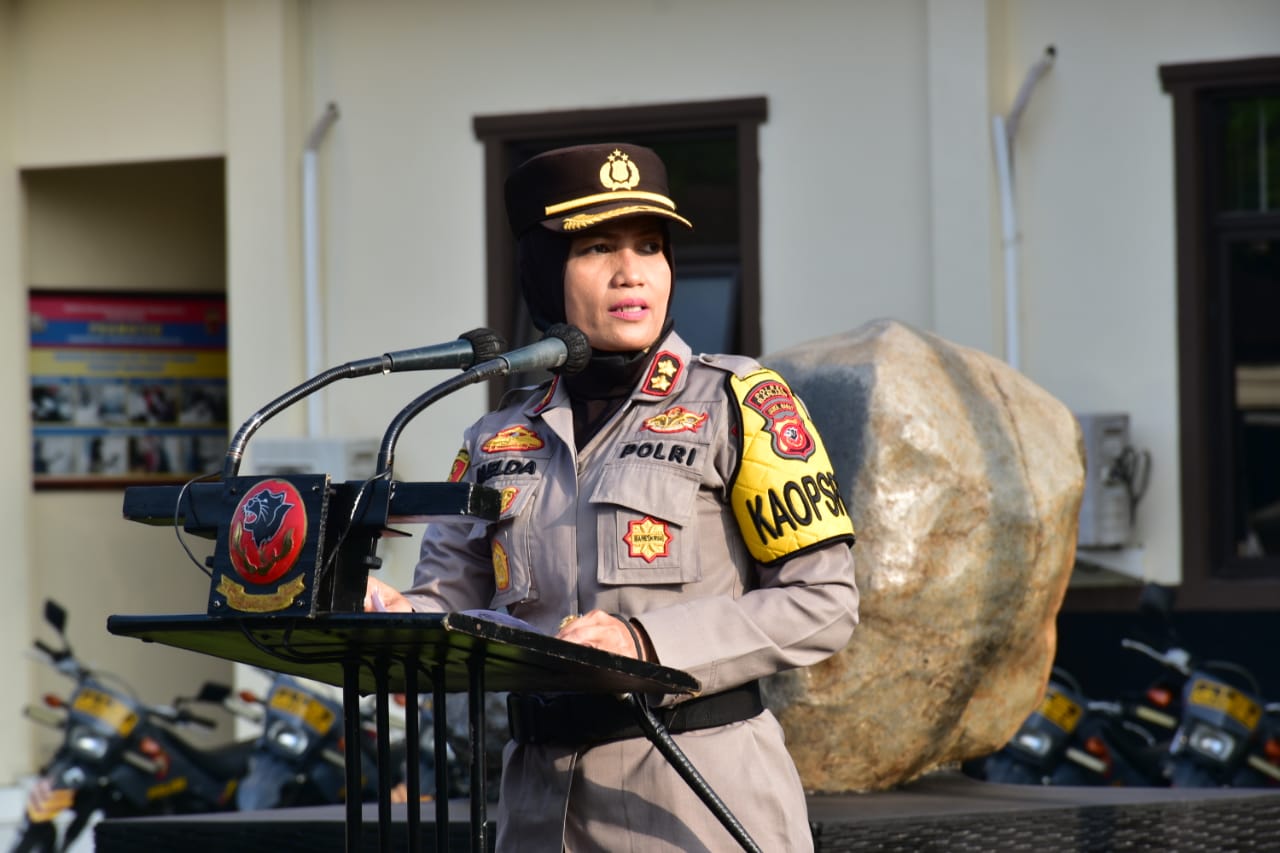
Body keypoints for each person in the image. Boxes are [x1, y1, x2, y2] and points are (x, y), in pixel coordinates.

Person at [365, 142, 858, 851]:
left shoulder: (741, 401)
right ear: (544, 271)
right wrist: (396, 617)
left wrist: (645, 644)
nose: (633, 272)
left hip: (694, 798)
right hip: (537, 806)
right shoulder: (494, 436)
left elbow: (824, 602)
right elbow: (450, 604)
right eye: (597, 247)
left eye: (650, 247)